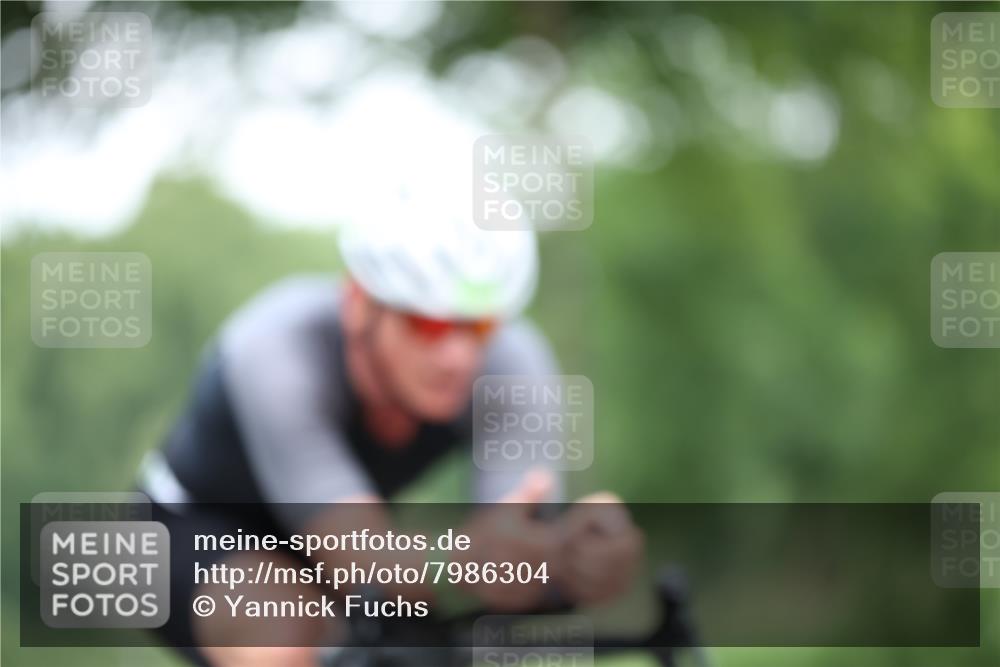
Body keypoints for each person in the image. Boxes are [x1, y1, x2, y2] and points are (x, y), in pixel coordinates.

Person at [138, 191, 642, 667]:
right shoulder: (276, 349)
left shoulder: (514, 361)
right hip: (181, 528)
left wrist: (568, 561)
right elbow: (366, 561)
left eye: (480, 326)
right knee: (289, 627)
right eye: (428, 325)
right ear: (359, 304)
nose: (458, 356)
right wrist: (470, 561)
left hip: (340, 540)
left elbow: (514, 544)